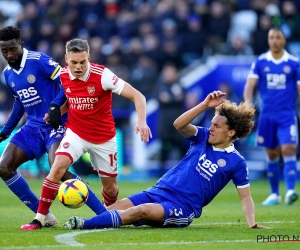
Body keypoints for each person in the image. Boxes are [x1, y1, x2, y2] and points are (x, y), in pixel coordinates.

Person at [63, 90, 268, 230]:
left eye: (217, 126)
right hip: (158, 191)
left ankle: (81, 223)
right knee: (116, 207)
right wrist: (204, 105)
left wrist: (251, 223)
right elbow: (179, 124)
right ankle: (90, 217)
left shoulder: (237, 162)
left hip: (182, 206)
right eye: (212, 124)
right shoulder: (203, 137)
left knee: (139, 211)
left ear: (231, 132)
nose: (211, 128)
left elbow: (245, 197)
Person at [21, 38, 152, 230]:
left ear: (88, 57)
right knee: (57, 168)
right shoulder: (64, 75)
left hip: (104, 138)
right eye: (74, 62)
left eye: (83, 62)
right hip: (76, 133)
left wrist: (141, 121)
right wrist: (57, 112)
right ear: (66, 59)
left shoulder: (102, 75)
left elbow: (138, 96)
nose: (79, 67)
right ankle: (40, 218)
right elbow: (72, 100)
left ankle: (109, 213)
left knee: (111, 188)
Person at [0, 26, 107, 227]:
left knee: (58, 168)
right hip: (33, 128)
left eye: (13, 49)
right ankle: (45, 216)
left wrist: (56, 105)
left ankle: (105, 214)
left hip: (57, 123)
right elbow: (19, 102)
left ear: (21, 45)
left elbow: (69, 81)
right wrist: (6, 131)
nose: (9, 54)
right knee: (3, 167)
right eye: (4, 51)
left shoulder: (39, 60)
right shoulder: (8, 74)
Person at [243, 27, 300, 206]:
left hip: (287, 114)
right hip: (267, 115)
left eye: (278, 37)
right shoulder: (260, 62)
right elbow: (250, 85)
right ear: (268, 40)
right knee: (272, 152)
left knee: (289, 148)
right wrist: (248, 103)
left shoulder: (293, 62)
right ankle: (274, 194)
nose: (274, 40)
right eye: (271, 37)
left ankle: (290, 190)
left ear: (284, 40)